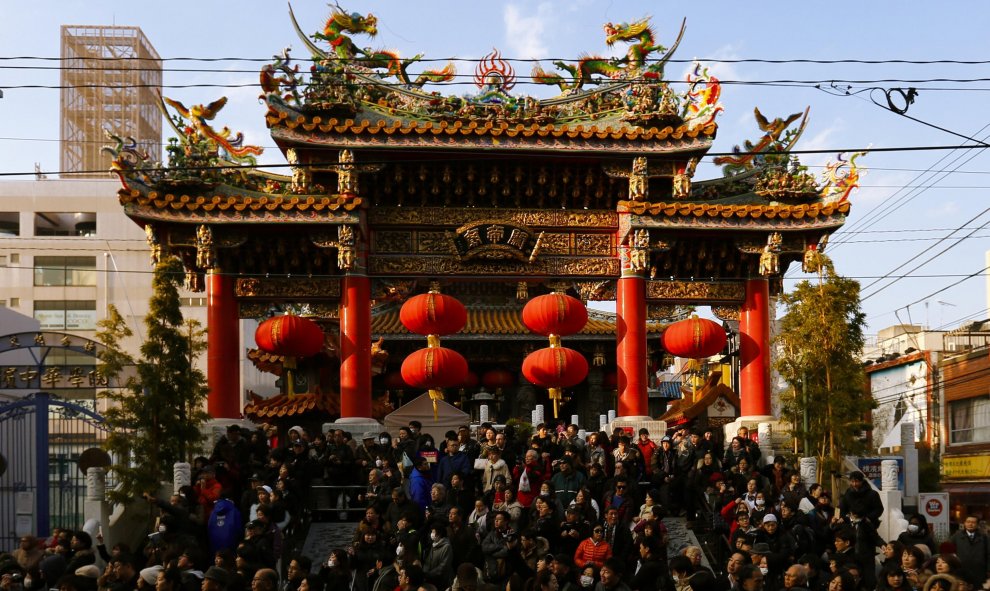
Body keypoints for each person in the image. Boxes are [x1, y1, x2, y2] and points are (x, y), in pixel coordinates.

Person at [949, 515, 990, 589]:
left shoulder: (984, 537)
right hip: (962, 571)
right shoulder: (957, 536)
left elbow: (989, 554)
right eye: (968, 522)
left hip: (979, 572)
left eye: (973, 522)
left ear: (977, 525)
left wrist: (988, 570)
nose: (970, 524)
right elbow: (948, 551)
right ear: (964, 523)